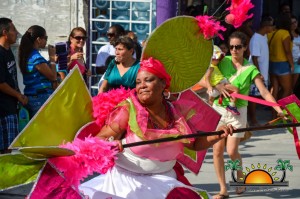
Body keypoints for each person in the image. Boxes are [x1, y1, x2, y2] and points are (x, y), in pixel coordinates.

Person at [79, 57, 234, 199]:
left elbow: (194, 144)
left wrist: (218, 135)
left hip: (166, 182)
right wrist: (109, 144)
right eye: (138, 82)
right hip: (126, 186)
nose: (142, 86)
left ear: (162, 84)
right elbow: (98, 139)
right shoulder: (127, 110)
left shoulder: (176, 112)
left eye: (148, 80)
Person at [212, 31, 284, 199]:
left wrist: (278, 109)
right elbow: (207, 73)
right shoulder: (222, 61)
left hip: (238, 113)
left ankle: (239, 178)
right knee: (217, 150)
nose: (234, 50)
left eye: (238, 47)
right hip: (219, 110)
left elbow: (264, 92)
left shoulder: (251, 69)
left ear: (245, 48)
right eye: (231, 47)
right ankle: (223, 189)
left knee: (231, 151)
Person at [0, 17, 28, 154]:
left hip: (10, 106)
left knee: (9, 149)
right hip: (3, 109)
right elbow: (1, 83)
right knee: (4, 152)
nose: (16, 33)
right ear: (5, 32)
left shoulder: (8, 51)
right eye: (13, 30)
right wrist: (18, 95)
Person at [18, 25, 57, 118]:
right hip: (40, 98)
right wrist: (52, 58)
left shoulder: (28, 54)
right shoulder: (36, 57)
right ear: (38, 39)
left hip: (33, 97)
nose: (46, 41)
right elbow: (52, 76)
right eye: (45, 38)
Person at [248, 16, 274, 126]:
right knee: (253, 96)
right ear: (266, 26)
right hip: (256, 73)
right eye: (272, 25)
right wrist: (258, 73)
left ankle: (253, 118)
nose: (273, 28)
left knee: (257, 95)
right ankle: (253, 119)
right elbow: (254, 58)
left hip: (262, 71)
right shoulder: (256, 39)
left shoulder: (264, 36)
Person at [198, 45, 240, 115]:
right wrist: (209, 86)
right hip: (221, 83)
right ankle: (232, 106)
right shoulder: (211, 67)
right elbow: (207, 77)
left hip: (215, 87)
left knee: (210, 101)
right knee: (236, 89)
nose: (218, 60)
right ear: (211, 58)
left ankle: (209, 112)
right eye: (216, 59)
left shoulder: (212, 66)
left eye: (218, 59)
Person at [268, 13, 293, 118]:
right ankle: (281, 113)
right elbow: (287, 51)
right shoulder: (285, 33)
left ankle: (274, 113)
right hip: (282, 64)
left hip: (272, 63)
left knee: (275, 89)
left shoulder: (271, 33)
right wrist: (291, 64)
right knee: (287, 89)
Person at [291, 15, 300, 88]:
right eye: (292, 23)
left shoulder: (299, 34)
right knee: (286, 86)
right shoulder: (286, 34)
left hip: (297, 62)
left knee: (292, 86)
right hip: (288, 63)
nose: (294, 24)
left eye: (295, 22)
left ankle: (289, 99)